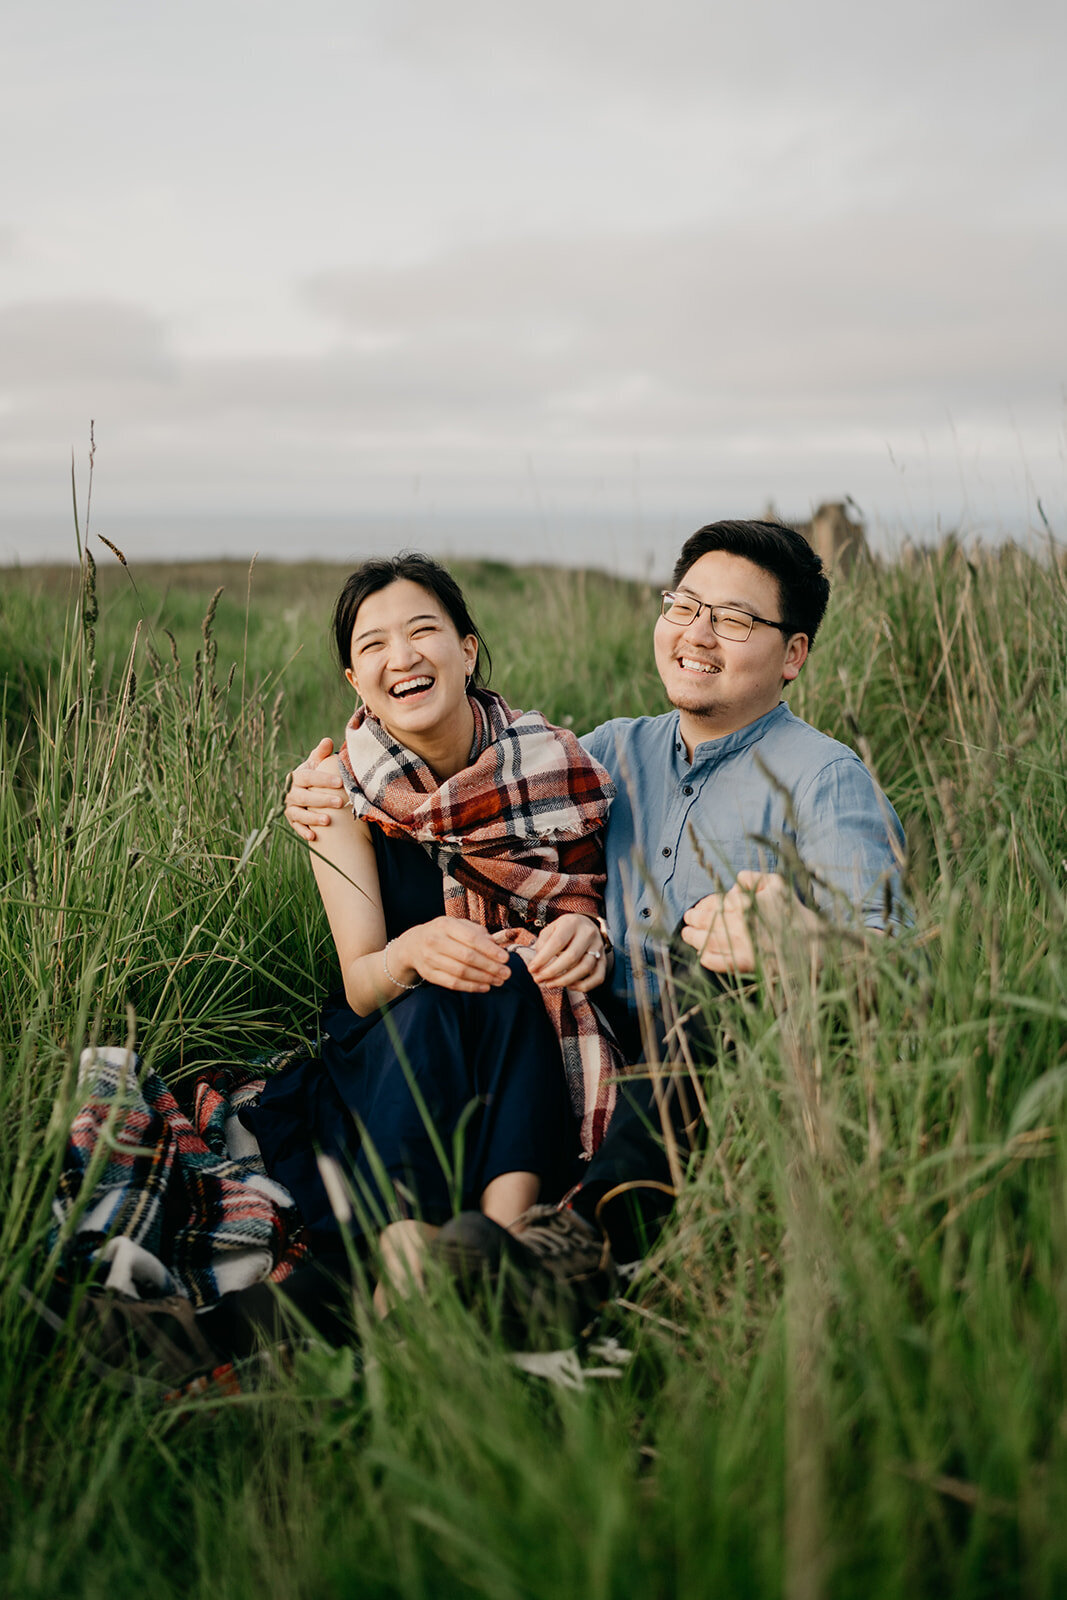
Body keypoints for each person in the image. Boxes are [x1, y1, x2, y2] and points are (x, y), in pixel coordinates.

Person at [285, 521, 906, 1320]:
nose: (698, 633)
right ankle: (386, 1288)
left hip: (711, 1057)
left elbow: (895, 964)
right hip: (586, 1040)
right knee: (475, 1000)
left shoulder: (824, 779)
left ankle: (577, 1243)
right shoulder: (603, 757)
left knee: (707, 977)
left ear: (791, 655)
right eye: (684, 605)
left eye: (735, 619)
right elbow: (493, 793)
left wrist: (800, 940)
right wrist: (324, 790)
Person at [247, 552, 622, 1313]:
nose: (402, 657)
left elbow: (583, 905)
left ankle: (499, 1241)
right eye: (372, 646)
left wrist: (586, 936)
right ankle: (406, 1256)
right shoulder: (337, 797)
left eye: (423, 631)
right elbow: (359, 985)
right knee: (441, 992)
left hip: (524, 1030)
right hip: (392, 1034)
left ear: (466, 649)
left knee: (508, 975)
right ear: (355, 682)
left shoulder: (553, 767)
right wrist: (410, 951)